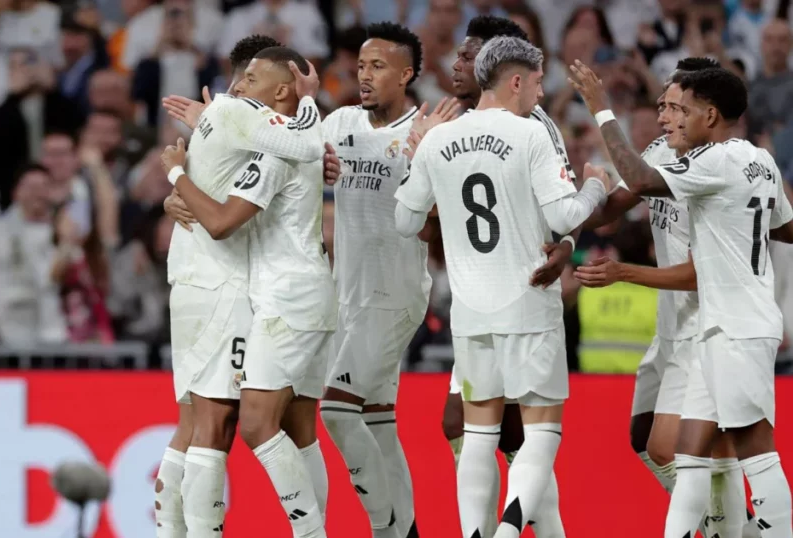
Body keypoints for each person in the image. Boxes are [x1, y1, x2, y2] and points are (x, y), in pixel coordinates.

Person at [394, 36, 610, 538]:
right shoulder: (530, 134)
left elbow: (406, 222)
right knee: (540, 433)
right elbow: (564, 216)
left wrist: (418, 156)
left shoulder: (438, 138)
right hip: (528, 305)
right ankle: (510, 531)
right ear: (516, 81)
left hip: (470, 314)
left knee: (478, 433)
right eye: (536, 83)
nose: (539, 92)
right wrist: (595, 183)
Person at [568, 61, 793, 538]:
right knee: (687, 455)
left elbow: (646, 185)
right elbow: (783, 226)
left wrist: (602, 112)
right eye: (666, 106)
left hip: (732, 323)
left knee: (746, 451)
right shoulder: (759, 160)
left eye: (680, 108)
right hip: (719, 321)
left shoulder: (712, 162)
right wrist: (572, 205)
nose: (670, 116)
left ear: (709, 114)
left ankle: (753, 531)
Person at [153, 38, 327, 537]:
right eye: (239, 76)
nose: (235, 86)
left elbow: (307, 149)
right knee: (215, 425)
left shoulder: (241, 123)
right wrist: (177, 175)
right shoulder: (241, 117)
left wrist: (178, 181)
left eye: (249, 77)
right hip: (223, 284)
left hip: (209, 282)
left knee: (199, 423)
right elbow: (226, 217)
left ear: (280, 91)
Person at [316, 21, 452, 538]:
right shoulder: (342, 121)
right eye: (361, 66)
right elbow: (305, 163)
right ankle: (408, 531)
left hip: (393, 293)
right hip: (347, 292)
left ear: (407, 73)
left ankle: (384, 529)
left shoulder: (430, 131)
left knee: (335, 410)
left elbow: (443, 219)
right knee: (376, 418)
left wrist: (424, 162)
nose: (364, 75)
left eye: (377, 66)